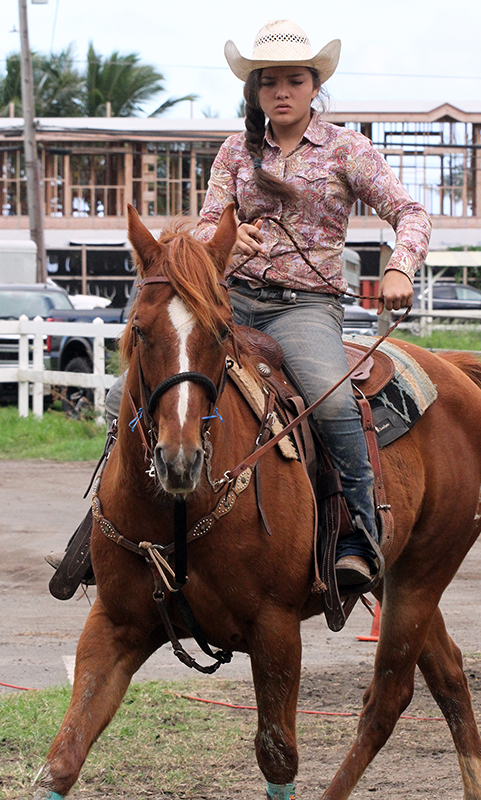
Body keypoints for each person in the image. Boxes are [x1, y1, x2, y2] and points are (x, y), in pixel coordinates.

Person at [47, 19, 431, 598]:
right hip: (232, 300)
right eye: (268, 81)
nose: (282, 91)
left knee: (328, 400)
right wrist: (225, 241)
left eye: (294, 80)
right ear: (254, 91)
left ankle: (358, 530)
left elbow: (411, 213)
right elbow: (207, 220)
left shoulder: (348, 149)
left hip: (305, 307)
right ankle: (107, 531)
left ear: (313, 86)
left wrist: (400, 266)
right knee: (118, 396)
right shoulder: (234, 151)